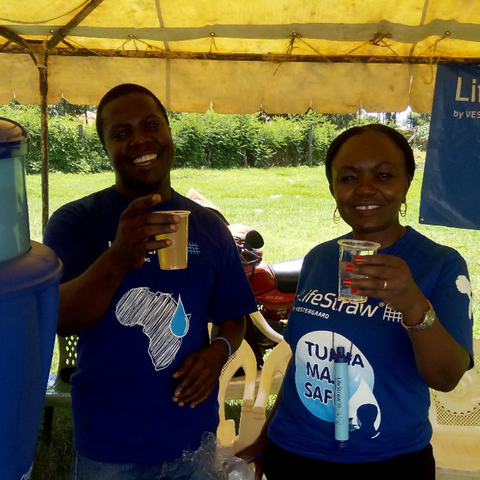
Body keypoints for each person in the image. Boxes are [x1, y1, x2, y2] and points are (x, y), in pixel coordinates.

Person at [43, 83, 257, 480]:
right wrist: (118, 258)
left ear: (169, 132)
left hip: (193, 435)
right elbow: (61, 317)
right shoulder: (77, 221)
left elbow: (234, 316)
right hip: (111, 442)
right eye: (120, 133)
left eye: (150, 125)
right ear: (105, 147)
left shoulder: (209, 227)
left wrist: (218, 352)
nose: (139, 139)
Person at [237, 124, 474, 479]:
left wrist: (413, 304)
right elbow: (303, 363)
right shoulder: (319, 259)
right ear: (333, 188)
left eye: (383, 174)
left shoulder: (439, 264)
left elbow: (446, 377)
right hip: (294, 452)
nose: (365, 188)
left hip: (387, 460)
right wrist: (265, 438)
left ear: (407, 182)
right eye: (347, 178)